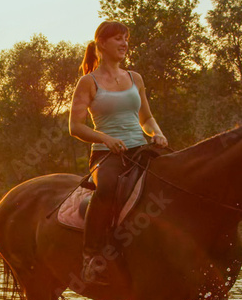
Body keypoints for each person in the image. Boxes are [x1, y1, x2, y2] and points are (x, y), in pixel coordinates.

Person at [69, 20, 169, 284]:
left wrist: (156, 133)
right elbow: (75, 126)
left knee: (178, 176)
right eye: (118, 39)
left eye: (126, 39)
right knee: (107, 189)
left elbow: (146, 117)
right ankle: (90, 257)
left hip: (141, 148)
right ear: (101, 43)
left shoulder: (135, 78)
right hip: (107, 154)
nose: (124, 44)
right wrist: (106, 138)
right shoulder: (88, 82)